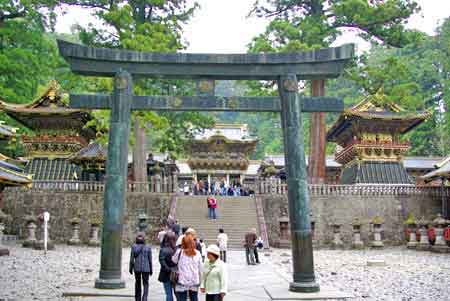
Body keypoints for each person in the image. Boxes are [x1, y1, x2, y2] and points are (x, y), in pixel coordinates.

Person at [172, 235, 202, 301]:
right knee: (194, 298)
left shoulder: (179, 252)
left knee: (181, 298)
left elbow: (174, 260)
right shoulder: (198, 253)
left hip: (182, 280)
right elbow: (200, 268)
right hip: (194, 280)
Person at [129, 232, 153, 301]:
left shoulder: (134, 246)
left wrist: (130, 268)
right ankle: (145, 298)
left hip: (137, 268)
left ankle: (137, 298)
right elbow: (150, 260)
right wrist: (151, 269)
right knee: (146, 283)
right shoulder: (148, 247)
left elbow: (131, 259)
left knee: (137, 283)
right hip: (146, 268)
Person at [158, 232, 177, 301]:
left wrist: (168, 269)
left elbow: (162, 262)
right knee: (177, 294)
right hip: (176, 274)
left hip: (166, 274)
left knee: (169, 294)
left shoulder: (163, 250)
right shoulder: (177, 250)